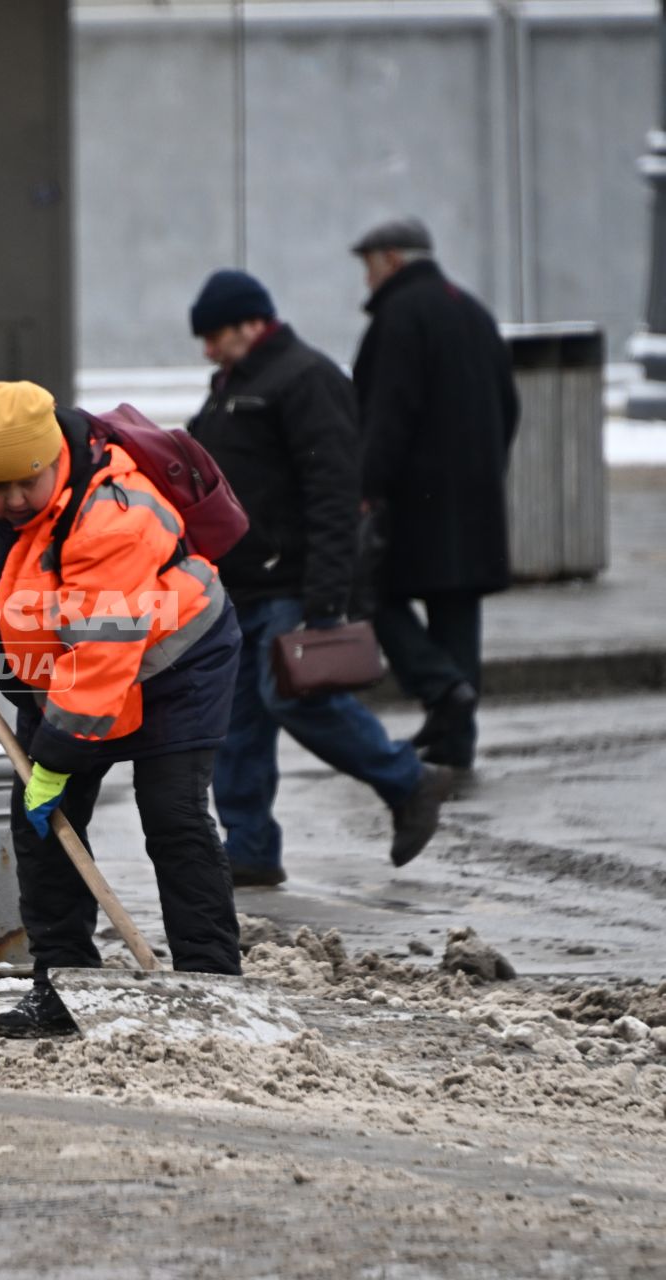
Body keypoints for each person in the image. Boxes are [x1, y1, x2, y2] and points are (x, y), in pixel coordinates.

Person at [0, 380, 244, 1039]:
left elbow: (103, 655)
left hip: (175, 659)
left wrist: (56, 758)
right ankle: (59, 988)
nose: (10, 501)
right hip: (62, 669)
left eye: (25, 485)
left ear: (53, 463)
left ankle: (213, 991)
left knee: (173, 815)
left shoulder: (110, 514)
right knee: (40, 826)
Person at [184, 269, 454, 889]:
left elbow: (336, 496)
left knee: (293, 697)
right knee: (235, 721)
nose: (207, 348)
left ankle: (410, 781)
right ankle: (249, 847)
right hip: (237, 585)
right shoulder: (229, 387)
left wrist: (328, 600)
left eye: (216, 334)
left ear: (253, 323)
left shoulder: (306, 378)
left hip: (292, 583)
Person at [352, 218, 520, 770]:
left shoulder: (399, 317)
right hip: (475, 495)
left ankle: (442, 688)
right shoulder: (472, 310)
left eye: (369, 265)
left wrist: (367, 486)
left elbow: (386, 415)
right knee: (456, 608)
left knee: (373, 596)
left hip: (413, 498)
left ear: (393, 261)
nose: (367, 280)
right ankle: (456, 737)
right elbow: (509, 404)